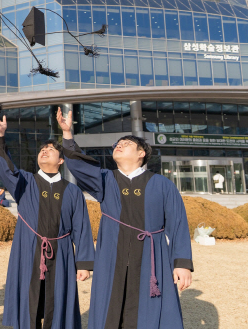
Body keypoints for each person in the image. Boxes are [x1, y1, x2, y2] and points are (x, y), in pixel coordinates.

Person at [56, 107, 193, 329]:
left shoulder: (162, 185)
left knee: (149, 314)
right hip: (112, 257)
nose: (119, 145)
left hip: (150, 259)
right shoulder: (105, 180)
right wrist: (68, 134)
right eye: (117, 144)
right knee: (110, 311)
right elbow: (78, 165)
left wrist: (182, 264)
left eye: (126, 144)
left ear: (142, 154)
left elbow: (178, 225)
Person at [0, 113, 94, 329]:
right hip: (28, 250)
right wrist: (1, 135)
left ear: (61, 159)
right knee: (29, 303)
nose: (44, 152)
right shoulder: (25, 182)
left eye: (50, 150)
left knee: (56, 305)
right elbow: (4, 167)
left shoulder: (73, 191)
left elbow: (82, 228)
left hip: (62, 254)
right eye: (41, 150)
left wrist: (83, 264)